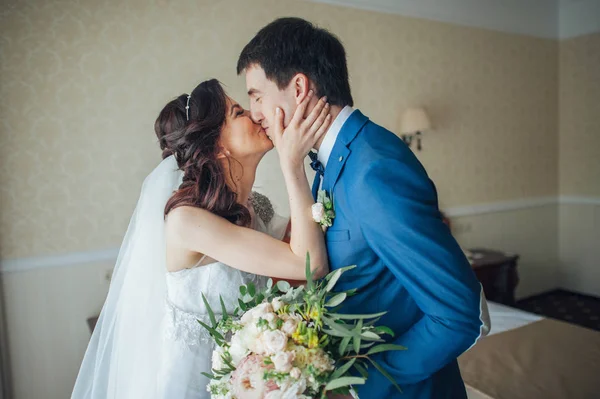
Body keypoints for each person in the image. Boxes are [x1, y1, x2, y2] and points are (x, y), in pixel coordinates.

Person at [237, 18, 490, 399]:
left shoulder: (374, 170)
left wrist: (357, 387)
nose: (254, 111)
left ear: (300, 87)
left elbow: (459, 314)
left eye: (257, 95)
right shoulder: (330, 160)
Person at [72, 79, 331, 398]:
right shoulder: (187, 221)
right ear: (216, 145)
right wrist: (292, 162)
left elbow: (303, 244)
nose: (254, 114)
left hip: (243, 382)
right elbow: (309, 264)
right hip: (191, 388)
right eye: (238, 112)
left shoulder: (255, 208)